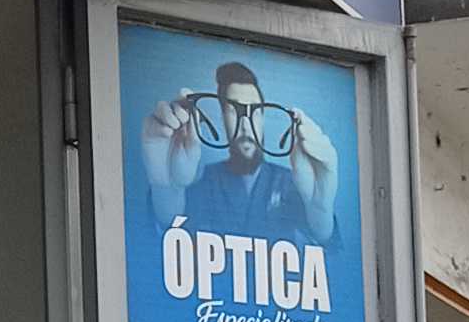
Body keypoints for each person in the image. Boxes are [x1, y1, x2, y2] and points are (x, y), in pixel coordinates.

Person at [141, 56, 344, 253]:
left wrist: (321, 209)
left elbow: (329, 251)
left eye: (255, 112)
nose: (246, 126)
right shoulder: (201, 183)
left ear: (263, 118)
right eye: (233, 111)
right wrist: (165, 187)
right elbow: (168, 234)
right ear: (222, 117)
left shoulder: (294, 185)